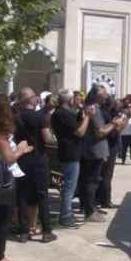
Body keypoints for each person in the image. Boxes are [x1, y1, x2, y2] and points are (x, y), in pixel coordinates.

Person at [0, 94, 33, 261]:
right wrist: (20, 150)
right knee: (3, 218)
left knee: (1, 217)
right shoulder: (1, 131)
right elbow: (8, 158)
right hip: (4, 177)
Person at [14, 88, 56, 243]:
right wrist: (52, 136)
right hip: (38, 158)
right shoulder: (41, 117)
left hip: (22, 159)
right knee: (42, 195)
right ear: (31, 100)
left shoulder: (15, 118)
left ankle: (24, 232)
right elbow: (47, 139)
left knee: (23, 195)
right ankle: (47, 231)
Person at [51, 89, 90, 228]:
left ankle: (66, 213)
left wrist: (81, 114)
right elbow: (79, 132)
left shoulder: (58, 113)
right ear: (68, 100)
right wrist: (87, 117)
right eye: (73, 97)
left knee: (68, 186)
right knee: (69, 187)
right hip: (70, 153)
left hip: (65, 151)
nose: (76, 99)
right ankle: (66, 216)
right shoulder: (64, 114)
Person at [97, 93, 124, 209]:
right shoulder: (105, 114)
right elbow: (113, 133)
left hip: (108, 146)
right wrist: (118, 124)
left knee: (104, 174)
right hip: (108, 146)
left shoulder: (106, 112)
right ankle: (105, 200)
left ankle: (101, 199)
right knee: (106, 175)